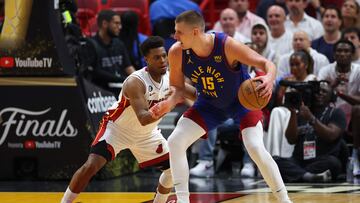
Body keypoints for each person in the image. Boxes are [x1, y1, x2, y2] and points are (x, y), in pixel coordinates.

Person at [151, 11, 292, 203]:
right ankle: (183, 200)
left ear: (194, 32)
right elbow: (178, 88)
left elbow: (266, 63)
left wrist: (268, 78)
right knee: (175, 141)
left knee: (255, 147)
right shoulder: (177, 52)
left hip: (241, 102)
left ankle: (284, 200)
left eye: (179, 32)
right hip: (209, 104)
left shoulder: (227, 45)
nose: (175, 37)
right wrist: (168, 103)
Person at [60, 36, 196, 203]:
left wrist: (215, 99)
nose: (162, 60)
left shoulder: (171, 79)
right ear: (146, 60)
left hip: (147, 135)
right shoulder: (135, 82)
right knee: (91, 166)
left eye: (164, 55)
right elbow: (143, 118)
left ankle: (159, 202)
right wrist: (170, 102)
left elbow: (195, 94)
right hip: (117, 130)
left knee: (172, 169)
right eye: (156, 57)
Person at [274, 81, 347, 183]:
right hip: (299, 160)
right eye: (317, 91)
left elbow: (331, 135)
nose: (320, 93)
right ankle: (309, 176)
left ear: (331, 96)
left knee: (334, 163)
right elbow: (291, 139)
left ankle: (297, 174)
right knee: (274, 161)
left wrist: (311, 118)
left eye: (324, 91)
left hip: (321, 160)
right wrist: (293, 113)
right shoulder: (303, 112)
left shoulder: (336, 113)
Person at [81, 10, 136, 95]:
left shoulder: (119, 44)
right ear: (104, 24)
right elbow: (96, 73)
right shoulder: (91, 45)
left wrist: (138, 78)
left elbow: (128, 67)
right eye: (116, 23)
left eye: (120, 23)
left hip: (120, 88)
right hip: (100, 91)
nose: (120, 27)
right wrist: (123, 79)